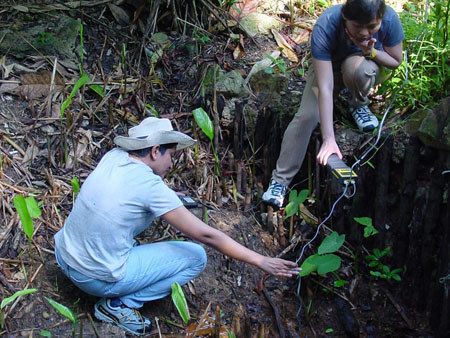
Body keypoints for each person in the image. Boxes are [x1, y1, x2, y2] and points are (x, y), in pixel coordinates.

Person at [54, 117, 300, 336]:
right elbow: (206, 235)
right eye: (170, 155)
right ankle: (118, 306)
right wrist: (260, 261)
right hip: (90, 278)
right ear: (154, 151)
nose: (172, 163)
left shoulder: (114, 157)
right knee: (196, 257)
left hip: (64, 255)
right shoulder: (150, 187)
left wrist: (172, 200)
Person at [262, 0, 404, 208]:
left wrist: (370, 52)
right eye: (358, 26)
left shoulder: (390, 19)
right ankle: (280, 181)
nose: (365, 33)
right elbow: (325, 87)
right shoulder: (327, 24)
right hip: (328, 69)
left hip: (364, 65)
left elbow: (396, 60)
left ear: (381, 19)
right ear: (346, 18)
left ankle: (358, 104)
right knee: (307, 116)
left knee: (360, 71)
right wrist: (329, 139)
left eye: (372, 27)